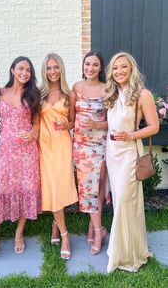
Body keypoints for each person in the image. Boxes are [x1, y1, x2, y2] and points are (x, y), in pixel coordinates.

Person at [0, 56, 41, 267]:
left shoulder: (32, 95)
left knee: (26, 189)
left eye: (28, 70)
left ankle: (19, 233)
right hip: (6, 151)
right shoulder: (0, 93)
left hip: (26, 152)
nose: (25, 73)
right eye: (21, 69)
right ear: (12, 70)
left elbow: (37, 123)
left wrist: (32, 134)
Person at [104, 51, 159, 273]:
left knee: (127, 200)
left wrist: (131, 136)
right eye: (115, 68)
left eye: (123, 67)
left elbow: (153, 126)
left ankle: (125, 255)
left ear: (131, 69)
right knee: (119, 202)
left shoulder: (142, 94)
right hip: (112, 153)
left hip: (129, 153)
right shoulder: (112, 93)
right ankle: (125, 249)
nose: (119, 71)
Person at [38, 53, 78, 260]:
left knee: (59, 187)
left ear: (61, 69)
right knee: (51, 188)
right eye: (48, 68)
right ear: (44, 71)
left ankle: (59, 229)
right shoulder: (39, 94)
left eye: (55, 67)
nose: (52, 71)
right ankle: (63, 233)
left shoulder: (69, 94)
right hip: (43, 146)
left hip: (62, 145)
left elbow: (72, 122)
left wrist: (67, 125)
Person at [73, 50, 109, 255]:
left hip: (98, 147)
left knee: (94, 190)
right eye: (87, 64)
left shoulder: (107, 89)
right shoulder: (77, 87)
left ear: (100, 68)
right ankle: (95, 227)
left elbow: (111, 122)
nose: (90, 68)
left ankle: (97, 231)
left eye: (95, 65)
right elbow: (71, 117)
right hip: (80, 145)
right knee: (88, 190)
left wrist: (96, 123)